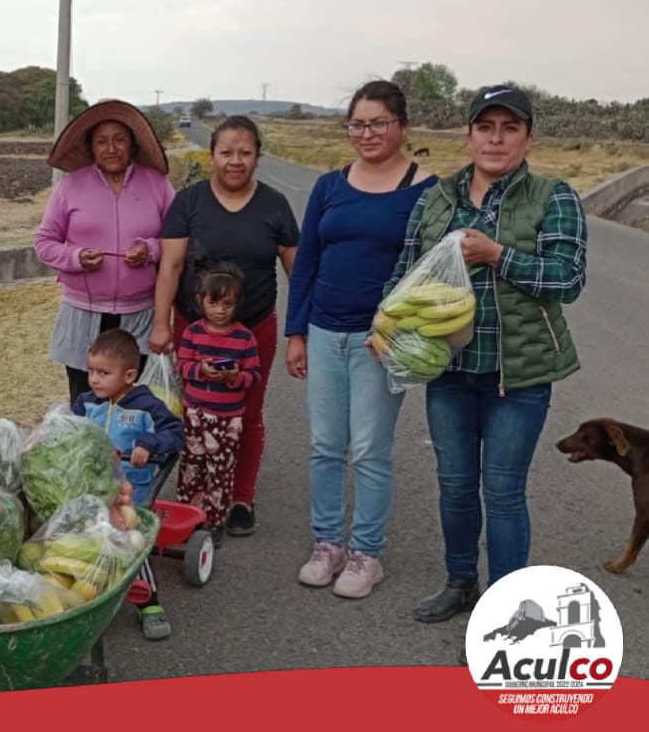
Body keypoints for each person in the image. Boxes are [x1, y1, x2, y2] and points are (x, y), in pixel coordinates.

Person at [380, 85, 587, 623]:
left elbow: (567, 279)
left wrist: (497, 254)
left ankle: (506, 610)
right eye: (485, 127)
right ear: (469, 134)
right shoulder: (437, 197)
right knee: (453, 486)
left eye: (509, 128)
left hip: (516, 378)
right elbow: (407, 272)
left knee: (502, 492)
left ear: (527, 137)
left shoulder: (553, 195)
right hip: (448, 370)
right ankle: (460, 581)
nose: (496, 139)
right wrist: (385, 325)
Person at [284, 81, 437, 599]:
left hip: (382, 341)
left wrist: (405, 334)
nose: (366, 133)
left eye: (378, 123)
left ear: (402, 127)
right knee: (326, 445)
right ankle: (327, 543)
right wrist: (297, 332)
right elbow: (306, 263)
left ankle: (366, 552)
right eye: (357, 124)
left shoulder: (425, 189)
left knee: (370, 449)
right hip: (325, 332)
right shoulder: (330, 186)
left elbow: (430, 273)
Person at [151, 115, 299, 537]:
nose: (235, 161)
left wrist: (299, 333)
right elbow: (171, 266)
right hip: (193, 330)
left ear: (257, 156)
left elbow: (296, 270)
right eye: (226, 152)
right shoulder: (189, 202)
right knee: (193, 411)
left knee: (246, 413)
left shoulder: (274, 205)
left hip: (253, 329)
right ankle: (196, 493)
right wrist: (161, 322)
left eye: (245, 153)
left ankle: (240, 497)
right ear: (212, 154)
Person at [35, 99, 176, 406]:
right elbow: (44, 243)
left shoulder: (158, 185)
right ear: (91, 148)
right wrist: (76, 258)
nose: (111, 148)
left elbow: (178, 240)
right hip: (83, 315)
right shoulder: (71, 186)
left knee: (135, 405)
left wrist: (150, 250)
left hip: (139, 315)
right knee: (85, 402)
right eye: (101, 141)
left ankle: (134, 455)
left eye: (119, 140)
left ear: (132, 144)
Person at [72, 329, 184, 640]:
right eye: (91, 371)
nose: (94, 380)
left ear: (130, 375)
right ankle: (87, 593)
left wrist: (148, 443)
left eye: (104, 373)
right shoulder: (85, 404)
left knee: (129, 540)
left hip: (131, 490)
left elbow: (176, 434)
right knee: (79, 534)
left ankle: (149, 602)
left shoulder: (146, 407)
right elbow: (70, 433)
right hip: (91, 486)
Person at [174, 265, 261, 545]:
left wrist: (234, 376)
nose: (220, 310)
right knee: (192, 465)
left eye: (227, 304)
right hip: (195, 413)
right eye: (214, 303)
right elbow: (183, 365)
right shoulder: (192, 332)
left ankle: (214, 522)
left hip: (227, 417)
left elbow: (254, 375)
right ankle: (187, 515)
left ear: (236, 305)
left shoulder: (244, 337)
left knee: (220, 471)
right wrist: (201, 370)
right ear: (201, 301)